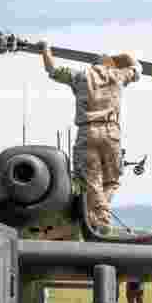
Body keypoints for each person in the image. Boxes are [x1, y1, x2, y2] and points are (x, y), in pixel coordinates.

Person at [40, 41, 143, 234]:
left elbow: (52, 70)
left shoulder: (81, 76)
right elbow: (137, 67)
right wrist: (121, 57)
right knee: (112, 181)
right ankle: (97, 216)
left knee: (90, 180)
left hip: (88, 133)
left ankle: (100, 219)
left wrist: (45, 49)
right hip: (111, 134)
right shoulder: (119, 75)